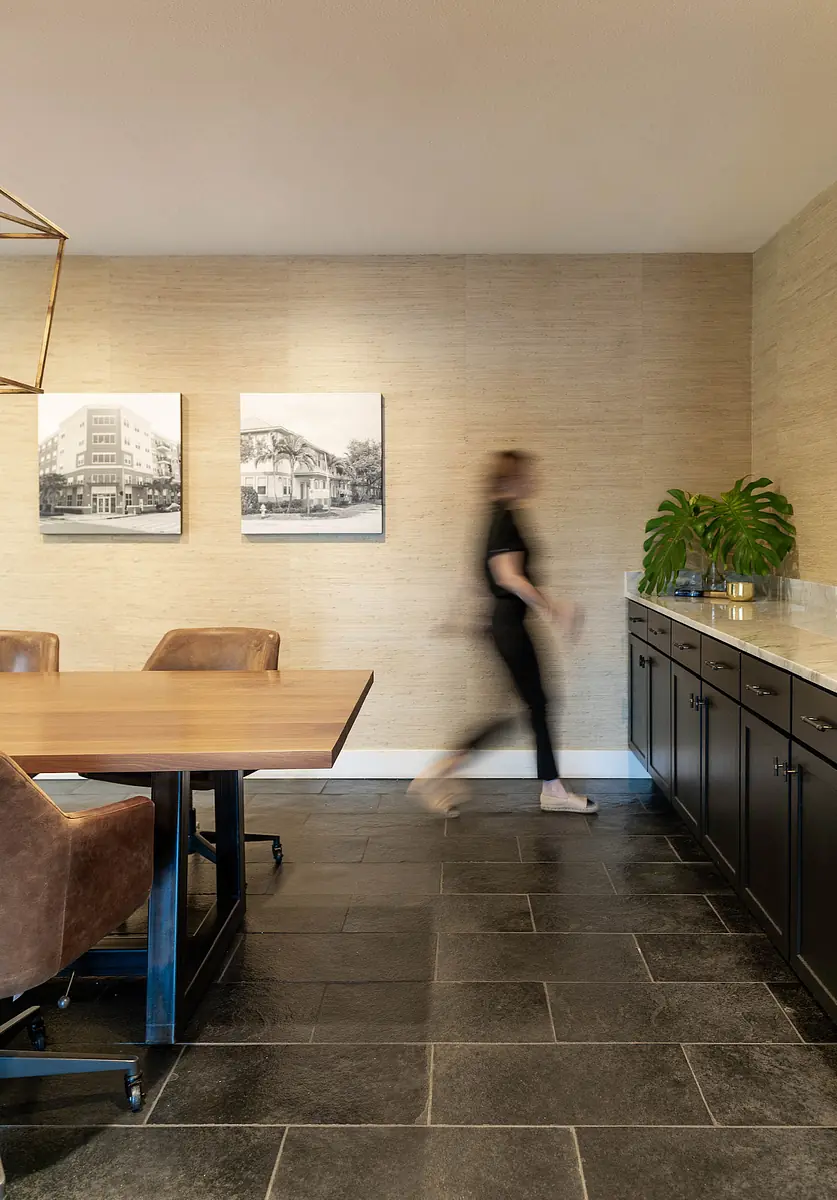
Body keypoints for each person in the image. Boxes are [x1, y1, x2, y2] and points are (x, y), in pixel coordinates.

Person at [409, 449, 597, 817]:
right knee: (537, 705)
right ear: (511, 478)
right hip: (509, 625)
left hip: (503, 625)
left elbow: (476, 577)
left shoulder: (495, 517)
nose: (534, 480)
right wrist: (553, 607)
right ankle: (447, 772)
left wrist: (466, 620)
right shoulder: (504, 520)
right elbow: (507, 576)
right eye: (528, 474)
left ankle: (451, 772)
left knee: (531, 706)